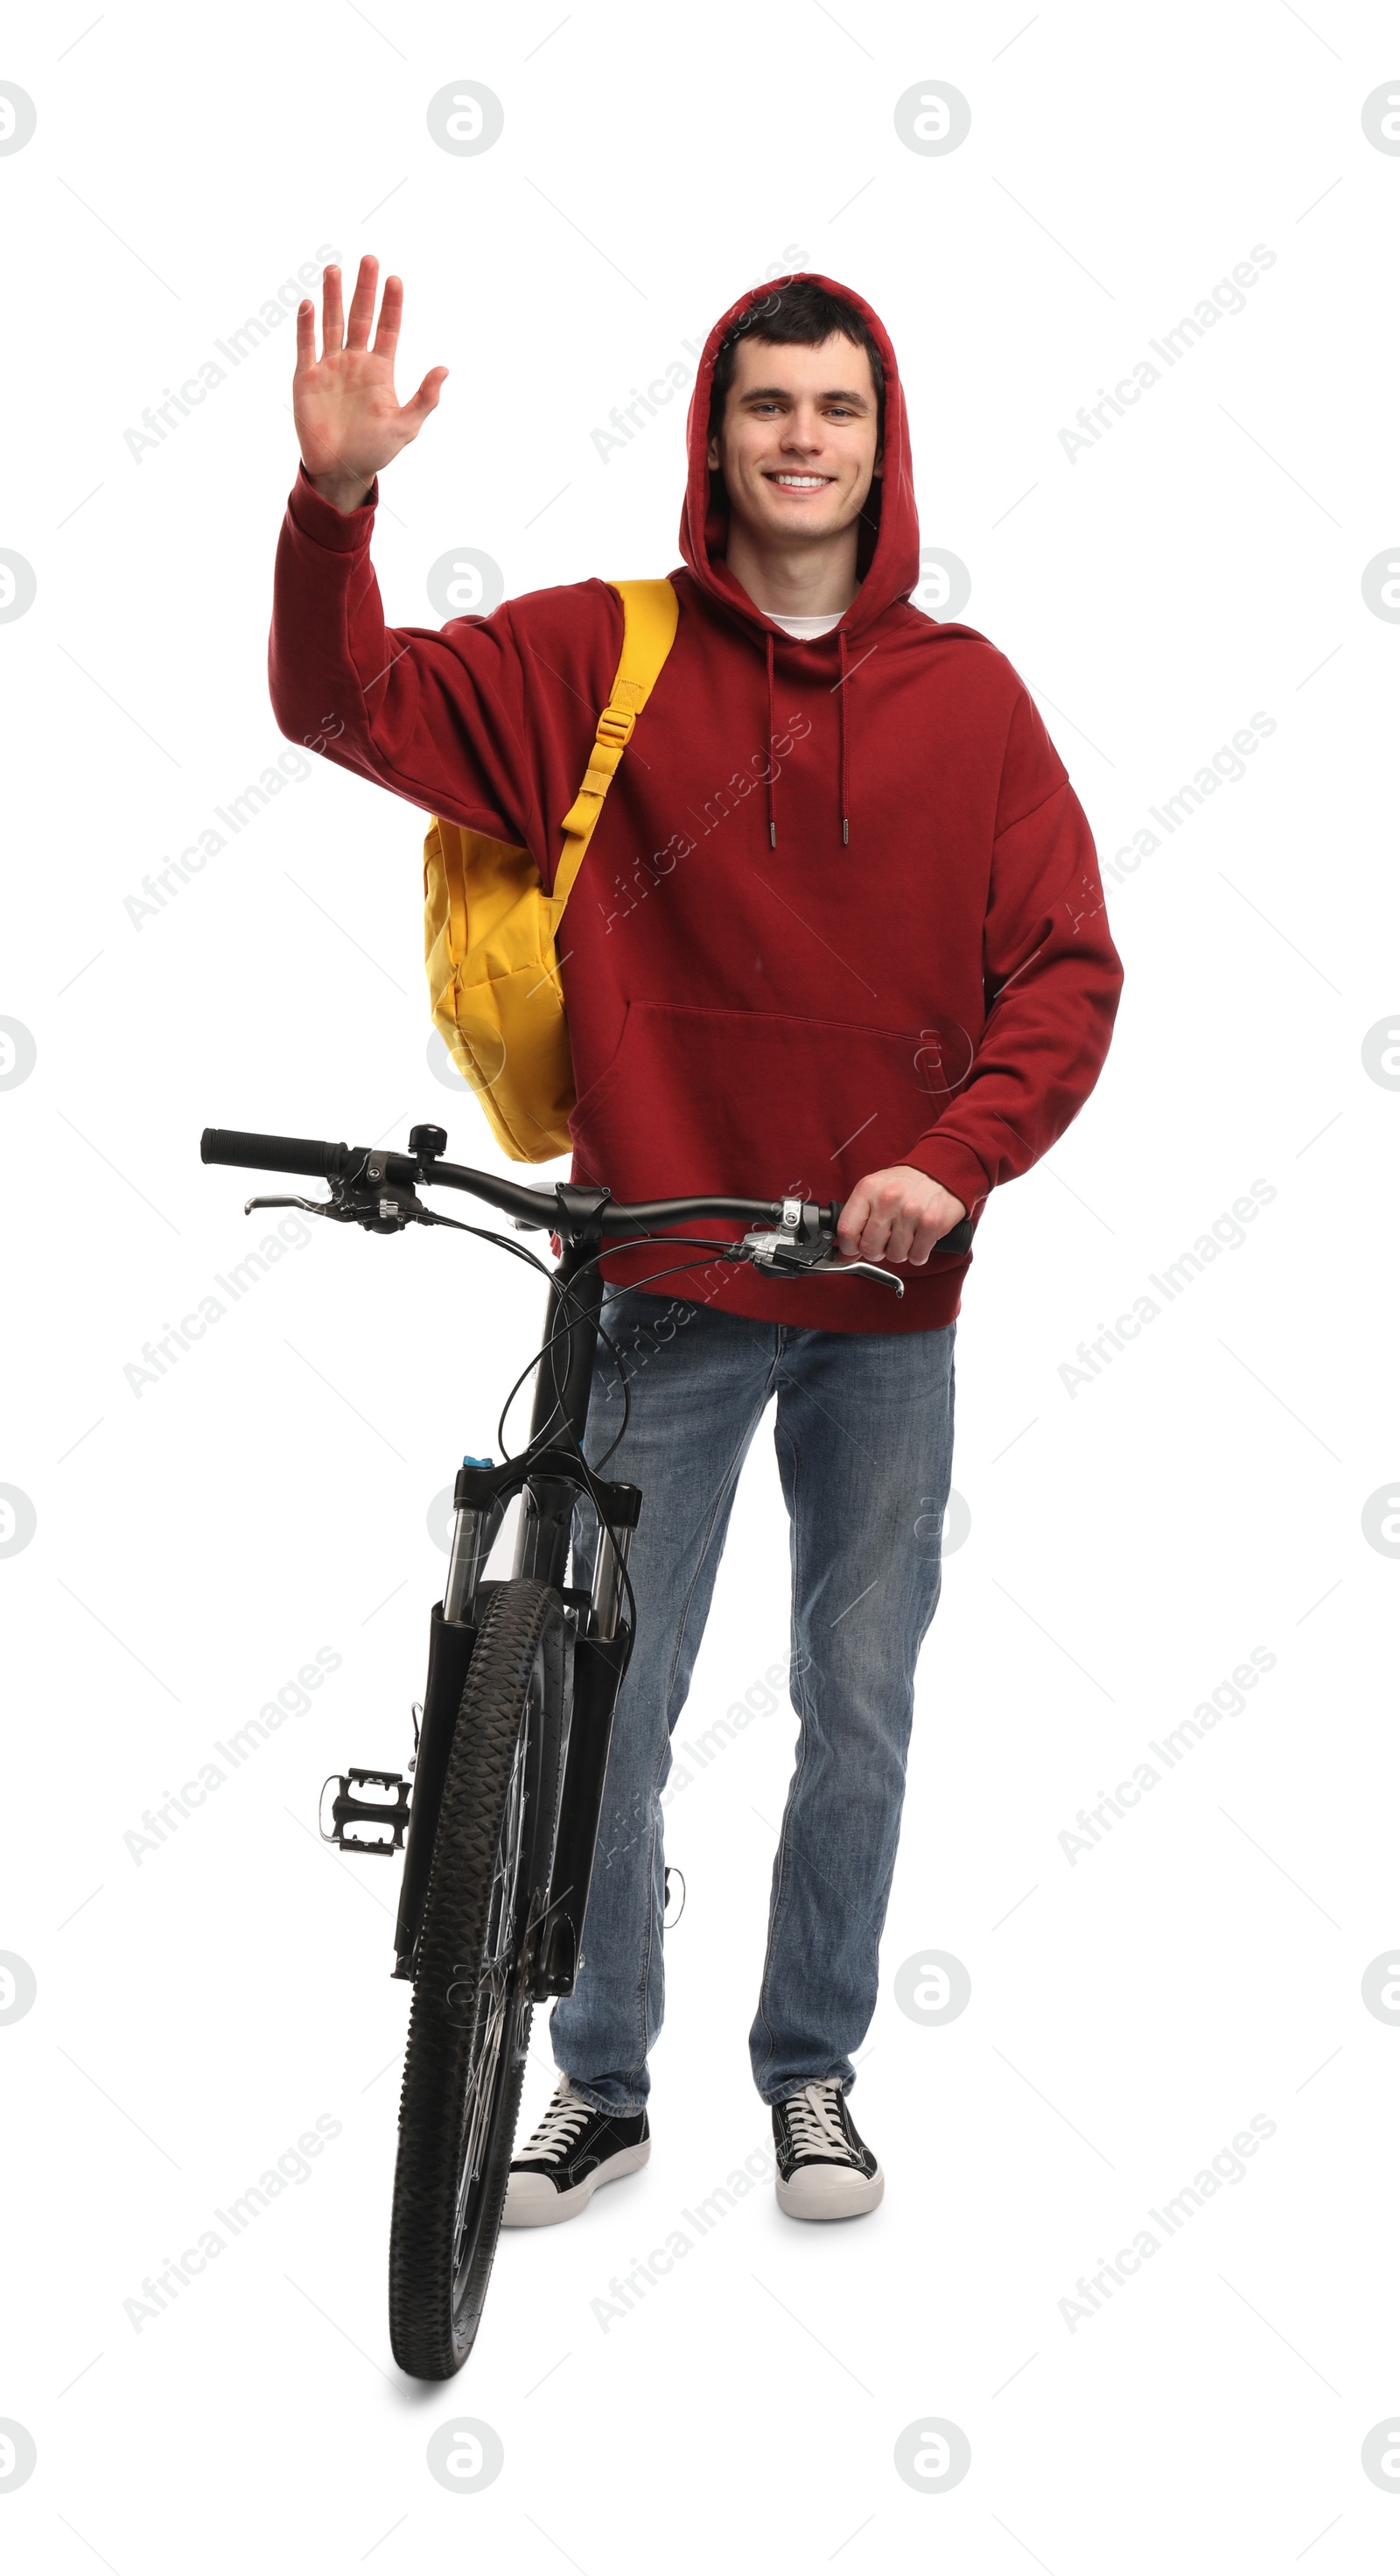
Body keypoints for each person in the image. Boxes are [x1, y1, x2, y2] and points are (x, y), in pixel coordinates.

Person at [270, 256, 1123, 2227]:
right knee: (600, 1708)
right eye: (766, 408)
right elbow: (346, 703)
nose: (799, 439)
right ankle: (599, 2075)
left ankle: (810, 2066)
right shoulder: (606, 650)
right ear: (714, 436)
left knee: (856, 1698)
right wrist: (333, 513)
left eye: (835, 409)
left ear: (878, 442)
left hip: (882, 1304)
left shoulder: (968, 700)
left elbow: (1065, 976)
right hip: (653, 1276)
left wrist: (952, 1161)